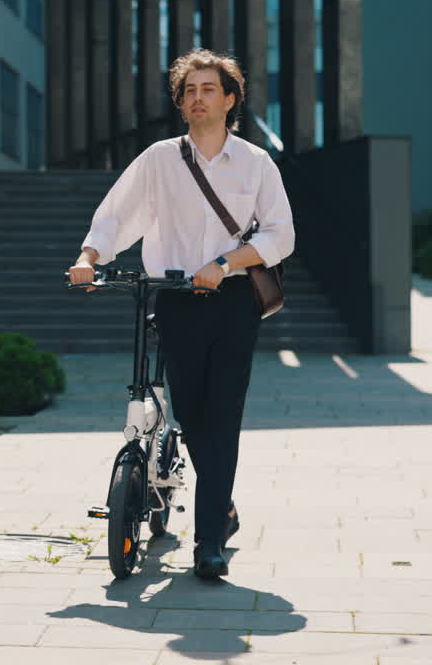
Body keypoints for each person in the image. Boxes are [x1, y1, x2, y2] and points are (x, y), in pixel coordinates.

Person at [68, 49, 295, 579]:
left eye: (208, 88)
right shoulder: (159, 159)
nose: (197, 98)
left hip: (235, 300)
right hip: (173, 300)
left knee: (223, 418)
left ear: (231, 98)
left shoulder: (256, 164)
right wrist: (88, 258)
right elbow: (117, 215)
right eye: (189, 90)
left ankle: (209, 542)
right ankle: (224, 505)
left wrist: (224, 262)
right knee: (192, 419)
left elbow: (280, 235)